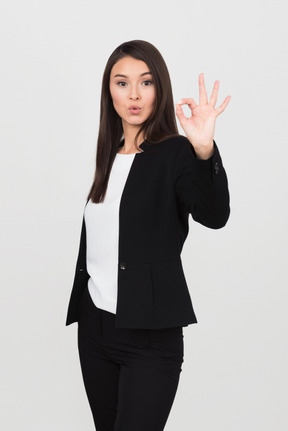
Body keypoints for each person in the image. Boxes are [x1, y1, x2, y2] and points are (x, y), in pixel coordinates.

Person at [65, 39, 231, 431]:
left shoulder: (175, 152)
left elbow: (214, 215)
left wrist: (203, 149)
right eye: (122, 83)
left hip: (150, 336)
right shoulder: (110, 154)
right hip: (95, 330)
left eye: (146, 82)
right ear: (109, 91)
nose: (134, 95)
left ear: (161, 88)